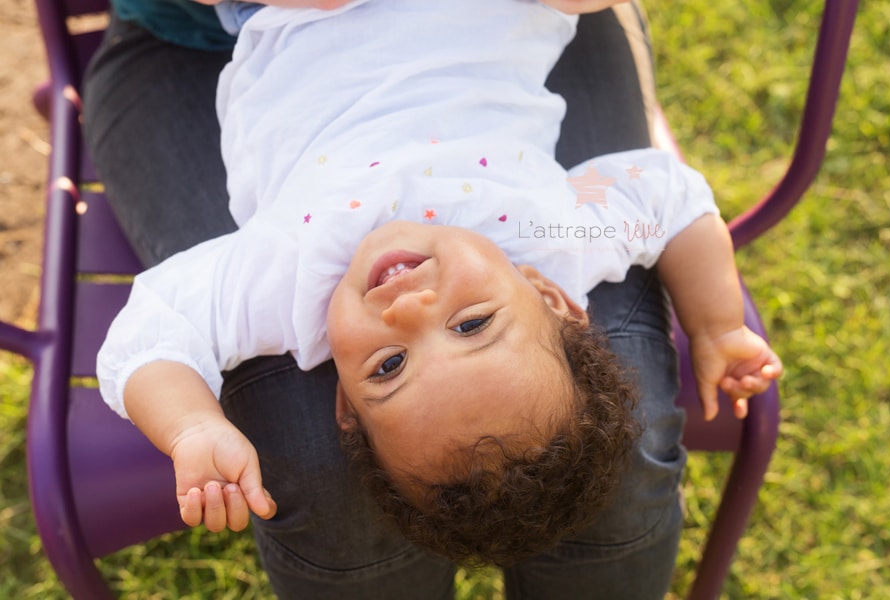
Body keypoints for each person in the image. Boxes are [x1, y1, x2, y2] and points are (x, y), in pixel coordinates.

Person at [83, 0, 766, 597]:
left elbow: (155, 332)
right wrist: (716, 325)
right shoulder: (552, 230)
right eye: (471, 324)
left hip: (293, 21)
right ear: (551, 297)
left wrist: (192, 427)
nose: (408, 309)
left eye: (388, 366)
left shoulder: (292, 274)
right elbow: (667, 198)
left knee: (328, 481)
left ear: (345, 402)